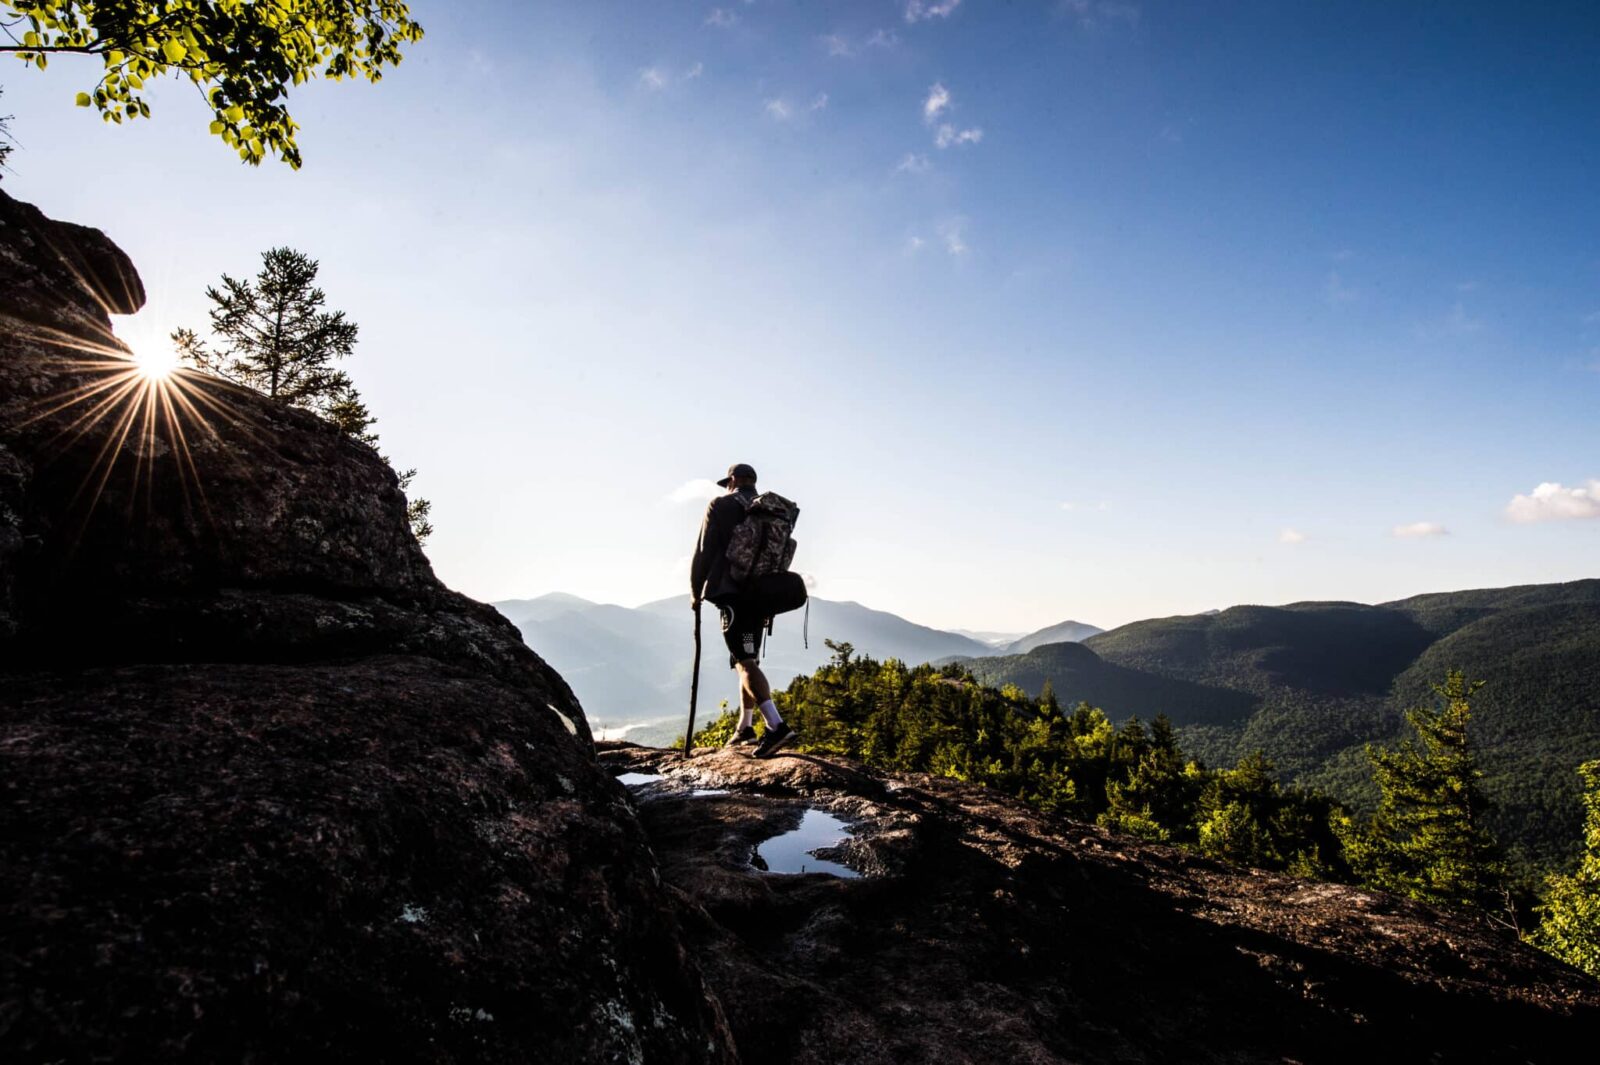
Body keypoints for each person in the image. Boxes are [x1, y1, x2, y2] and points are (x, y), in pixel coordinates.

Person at [690, 463, 797, 759]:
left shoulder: (721, 505)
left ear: (734, 480)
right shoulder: (772, 509)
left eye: (728, 482)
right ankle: (745, 728)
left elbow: (704, 551)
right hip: (762, 595)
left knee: (745, 661)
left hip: (732, 594)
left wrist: (695, 590)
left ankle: (775, 725)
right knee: (746, 658)